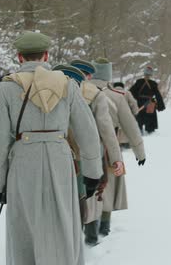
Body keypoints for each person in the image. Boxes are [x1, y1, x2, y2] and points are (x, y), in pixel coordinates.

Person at [0, 31, 103, 265]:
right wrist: (93, 174)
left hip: (23, 160)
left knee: (24, 225)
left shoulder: (6, 89)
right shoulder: (68, 85)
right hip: (60, 159)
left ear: (20, 57)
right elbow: (88, 133)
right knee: (61, 222)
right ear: (47, 55)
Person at [54, 64, 125, 246]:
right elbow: (106, 130)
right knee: (91, 197)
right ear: (86, 75)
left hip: (58, 155)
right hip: (89, 154)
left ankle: (68, 240)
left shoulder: (53, 89)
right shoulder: (95, 94)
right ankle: (91, 239)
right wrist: (116, 158)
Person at [87, 58, 147, 238]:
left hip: (82, 148)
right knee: (108, 187)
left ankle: (89, 229)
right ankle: (104, 226)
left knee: (88, 187)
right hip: (109, 148)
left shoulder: (81, 90)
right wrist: (140, 152)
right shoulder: (116, 96)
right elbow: (131, 127)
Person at [130, 66, 165, 134]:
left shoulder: (139, 82)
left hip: (139, 102)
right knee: (150, 116)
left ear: (144, 73)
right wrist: (161, 106)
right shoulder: (153, 84)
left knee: (139, 116)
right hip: (150, 103)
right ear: (151, 74)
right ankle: (150, 130)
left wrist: (132, 101)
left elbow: (131, 92)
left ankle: (139, 130)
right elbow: (158, 95)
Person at [113, 82, 138, 149]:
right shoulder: (127, 93)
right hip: (125, 113)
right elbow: (133, 103)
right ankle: (125, 143)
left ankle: (116, 142)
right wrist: (135, 112)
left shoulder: (110, 92)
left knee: (115, 128)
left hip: (113, 113)